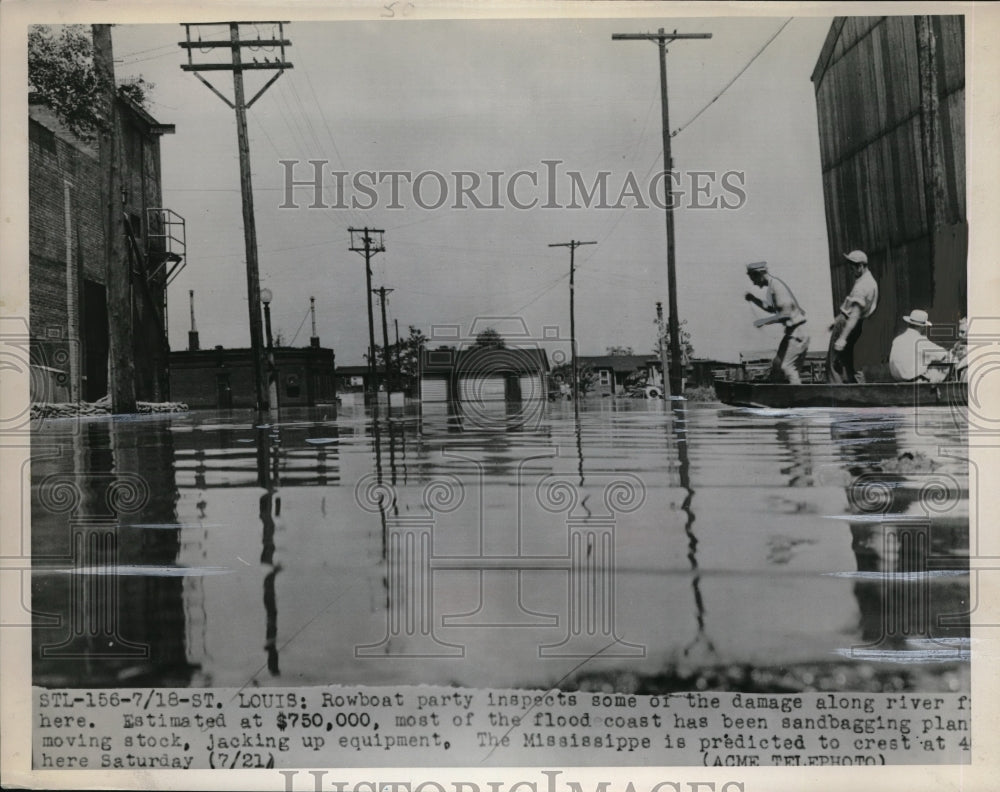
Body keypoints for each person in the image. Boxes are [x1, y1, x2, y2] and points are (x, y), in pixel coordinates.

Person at [743, 261, 810, 384]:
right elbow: (771, 308)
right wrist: (754, 299)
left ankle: (798, 399)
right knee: (777, 365)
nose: (753, 282)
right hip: (792, 333)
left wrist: (763, 321)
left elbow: (785, 314)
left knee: (788, 368)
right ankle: (776, 398)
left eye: (753, 278)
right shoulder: (772, 286)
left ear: (759, 274)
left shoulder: (777, 286)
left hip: (798, 333)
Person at [830, 250, 879, 383]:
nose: (850, 271)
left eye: (852, 268)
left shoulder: (862, 286)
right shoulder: (870, 281)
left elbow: (854, 314)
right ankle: (852, 393)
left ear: (861, 266)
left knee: (833, 365)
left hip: (847, 324)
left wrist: (842, 338)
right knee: (847, 364)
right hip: (853, 324)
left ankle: (836, 397)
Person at [888, 309, 951, 383]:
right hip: (915, 381)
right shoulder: (920, 340)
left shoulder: (897, 340)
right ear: (922, 327)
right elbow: (943, 354)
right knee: (942, 368)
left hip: (897, 380)